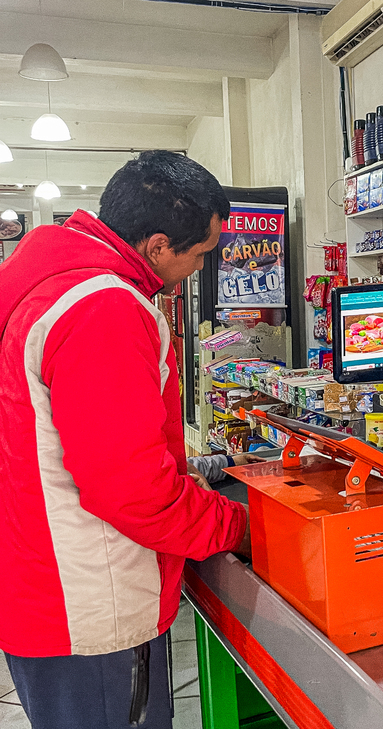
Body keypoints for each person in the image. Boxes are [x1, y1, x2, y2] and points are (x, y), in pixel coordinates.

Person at [0, 150, 250, 729]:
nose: (198, 269)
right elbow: (134, 490)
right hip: (91, 609)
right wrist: (238, 527)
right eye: (201, 254)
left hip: (39, 586)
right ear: (159, 245)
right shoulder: (103, 308)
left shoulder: (48, 285)